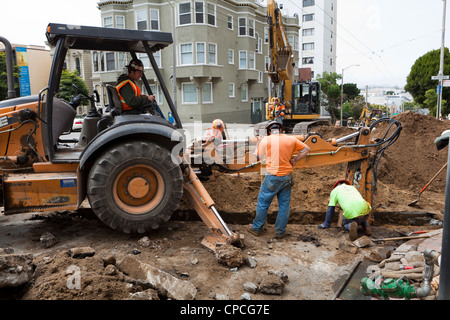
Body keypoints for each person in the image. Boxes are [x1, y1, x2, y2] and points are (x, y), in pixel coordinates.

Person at [247, 121, 310, 238]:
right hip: (286, 177)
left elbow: (257, 157)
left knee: (263, 203)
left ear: (270, 131)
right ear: (281, 130)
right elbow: (307, 148)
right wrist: (295, 160)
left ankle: (256, 228)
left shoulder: (266, 139)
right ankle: (280, 232)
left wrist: (259, 142)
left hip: (272, 177)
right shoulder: (291, 139)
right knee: (284, 206)